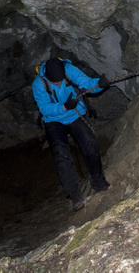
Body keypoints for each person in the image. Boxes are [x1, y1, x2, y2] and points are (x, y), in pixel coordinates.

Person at [33, 57, 111, 211]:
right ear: (47, 76)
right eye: (55, 82)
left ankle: (98, 181)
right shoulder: (38, 84)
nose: (59, 84)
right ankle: (75, 196)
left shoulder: (69, 70)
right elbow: (44, 109)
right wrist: (63, 107)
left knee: (90, 145)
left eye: (61, 80)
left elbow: (87, 84)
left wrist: (99, 84)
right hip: (53, 121)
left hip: (75, 115)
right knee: (61, 155)